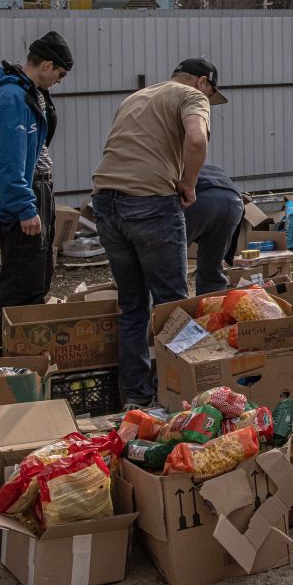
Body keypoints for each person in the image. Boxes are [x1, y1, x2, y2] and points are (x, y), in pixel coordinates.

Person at [92, 58, 224, 407]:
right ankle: (179, 395)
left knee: (132, 306)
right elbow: (196, 140)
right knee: (173, 305)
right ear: (203, 82)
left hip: (105, 202)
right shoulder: (192, 97)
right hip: (150, 202)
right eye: (211, 92)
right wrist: (189, 184)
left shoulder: (137, 97)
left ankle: (136, 397)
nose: (210, 99)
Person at [0, 30, 71, 341]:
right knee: (22, 281)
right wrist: (24, 207)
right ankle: (11, 356)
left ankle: (26, 348)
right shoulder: (13, 97)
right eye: (60, 73)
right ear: (47, 65)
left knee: (38, 275)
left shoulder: (30, 93)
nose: (60, 81)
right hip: (21, 199)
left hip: (35, 192)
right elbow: (5, 161)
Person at [186, 164, 244, 296]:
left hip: (199, 198)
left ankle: (169, 313)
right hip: (233, 201)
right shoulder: (205, 168)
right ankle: (212, 313)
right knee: (212, 271)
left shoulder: (174, 167)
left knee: (169, 264)